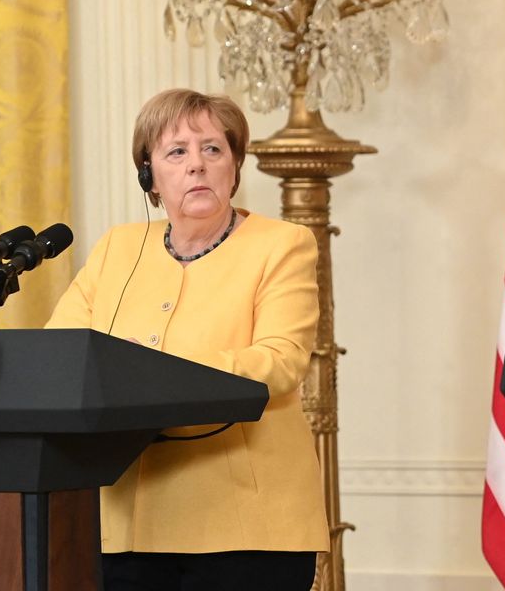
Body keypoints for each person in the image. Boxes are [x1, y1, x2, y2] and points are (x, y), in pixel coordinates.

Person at [46, 89, 328, 590]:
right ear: (148, 176)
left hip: (247, 528)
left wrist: (153, 368)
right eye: (177, 151)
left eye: (213, 149)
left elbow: (281, 361)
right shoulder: (117, 247)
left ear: (235, 167)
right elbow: (63, 356)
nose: (196, 165)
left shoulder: (281, 244)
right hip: (123, 524)